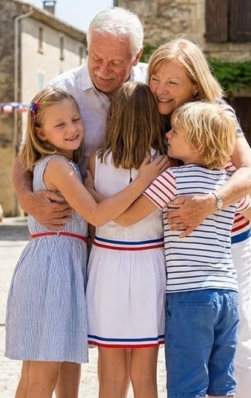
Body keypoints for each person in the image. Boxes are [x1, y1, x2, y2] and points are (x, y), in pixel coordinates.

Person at [11, 7, 147, 397]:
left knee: (69, 360)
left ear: (135, 58)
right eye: (96, 58)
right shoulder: (62, 91)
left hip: (93, 254)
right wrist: (28, 200)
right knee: (43, 367)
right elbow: (23, 163)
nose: (103, 69)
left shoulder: (152, 86)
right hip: (60, 252)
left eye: (115, 62)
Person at [6, 87, 168, 398]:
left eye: (75, 120)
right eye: (60, 125)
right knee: (44, 372)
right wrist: (143, 181)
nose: (72, 129)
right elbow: (96, 215)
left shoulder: (72, 166)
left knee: (36, 371)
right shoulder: (60, 167)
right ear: (39, 133)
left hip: (55, 262)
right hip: (54, 266)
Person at [147, 38, 251, 398]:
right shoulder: (150, 109)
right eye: (156, 77)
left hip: (228, 240)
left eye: (172, 82)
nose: (160, 88)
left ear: (195, 85)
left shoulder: (217, 114)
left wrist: (211, 202)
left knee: (237, 340)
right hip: (182, 248)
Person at [121, 101, 251, 398]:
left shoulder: (173, 179)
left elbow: (126, 217)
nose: (167, 135)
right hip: (227, 294)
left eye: (175, 131)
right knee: (222, 384)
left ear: (197, 141)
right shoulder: (226, 183)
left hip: (189, 295)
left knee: (188, 384)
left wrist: (94, 192)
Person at [84, 82, 168, 398]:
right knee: (145, 376)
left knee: (110, 375)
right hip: (149, 263)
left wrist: (92, 194)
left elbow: (111, 217)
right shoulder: (164, 163)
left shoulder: (95, 161)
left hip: (107, 263)